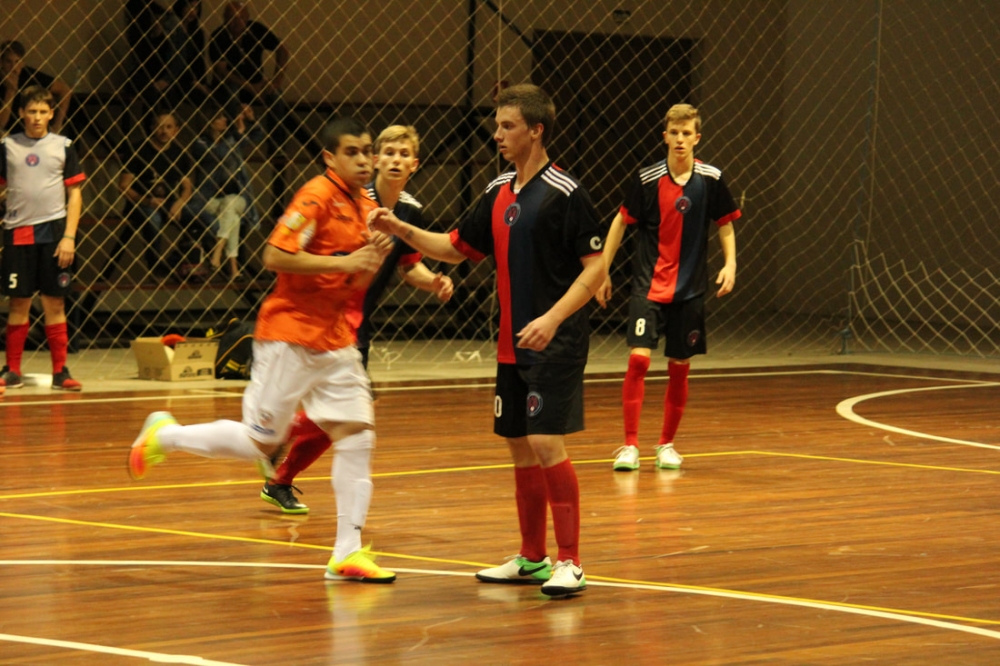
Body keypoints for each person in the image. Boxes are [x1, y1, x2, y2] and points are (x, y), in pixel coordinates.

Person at [127, 116, 397, 583]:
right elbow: (273, 255)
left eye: (367, 150)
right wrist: (348, 260)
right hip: (289, 334)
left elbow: (358, 270)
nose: (364, 159)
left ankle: (346, 552)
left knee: (358, 435)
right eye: (352, 151)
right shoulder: (315, 196)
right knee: (261, 441)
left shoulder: (363, 203)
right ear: (330, 158)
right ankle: (164, 435)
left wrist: (372, 256)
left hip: (334, 339)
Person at [369, 84, 606, 598]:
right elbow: (455, 248)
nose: (497, 134)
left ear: (536, 130)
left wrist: (552, 317)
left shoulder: (567, 193)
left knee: (546, 442)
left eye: (508, 126)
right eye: (496, 125)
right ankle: (532, 557)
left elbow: (596, 268)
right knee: (520, 448)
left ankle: (571, 561)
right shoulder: (498, 190)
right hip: (510, 343)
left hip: (555, 341)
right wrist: (399, 227)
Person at [259, 124, 454, 515]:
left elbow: (408, 266)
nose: (395, 160)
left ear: (415, 164)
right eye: (389, 153)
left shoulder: (410, 211)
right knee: (349, 414)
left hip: (355, 320)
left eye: (404, 155)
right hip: (322, 316)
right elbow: (288, 253)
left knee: (346, 416)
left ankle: (279, 472)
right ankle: (272, 441)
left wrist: (434, 282)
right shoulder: (349, 197)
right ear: (376, 159)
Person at [596, 103, 740, 472]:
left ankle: (666, 445)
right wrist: (602, 271)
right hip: (648, 286)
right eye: (674, 133)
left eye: (686, 133)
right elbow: (620, 221)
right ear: (665, 137)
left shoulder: (710, 179)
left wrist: (730, 263)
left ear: (697, 138)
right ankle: (629, 445)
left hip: (689, 290)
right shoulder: (646, 180)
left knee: (680, 367)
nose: (680, 139)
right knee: (638, 360)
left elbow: (725, 224)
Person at [0, 86, 86, 391]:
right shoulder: (7, 146)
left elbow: (74, 194)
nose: (37, 117)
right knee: (18, 303)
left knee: (54, 303)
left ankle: (60, 371)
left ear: (52, 113)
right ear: (22, 113)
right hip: (17, 233)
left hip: (54, 234)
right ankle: (12, 370)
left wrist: (69, 237)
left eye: (43, 111)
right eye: (31, 111)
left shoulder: (64, 145)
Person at [209, 1, 318, 160]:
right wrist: (250, 87)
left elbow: (282, 49)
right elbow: (221, 71)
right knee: (231, 92)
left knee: (276, 96)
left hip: (257, 84)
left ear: (247, 18)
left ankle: (277, 147)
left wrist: (276, 81)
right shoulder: (218, 36)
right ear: (224, 18)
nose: (236, 23)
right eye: (231, 18)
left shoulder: (256, 30)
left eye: (240, 18)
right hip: (231, 85)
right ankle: (231, 142)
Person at [110, 110, 200, 282]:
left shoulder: (180, 153)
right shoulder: (137, 149)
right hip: (140, 203)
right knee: (154, 219)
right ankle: (156, 267)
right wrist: (147, 201)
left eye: (168, 127)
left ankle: (180, 261)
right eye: (160, 127)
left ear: (176, 130)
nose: (164, 131)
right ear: (152, 128)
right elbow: (123, 186)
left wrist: (180, 202)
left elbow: (187, 187)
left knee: (205, 217)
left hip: (170, 203)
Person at [190, 103, 258, 281]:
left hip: (237, 198)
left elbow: (257, 135)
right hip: (209, 201)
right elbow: (218, 154)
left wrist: (250, 121)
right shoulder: (200, 143)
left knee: (230, 202)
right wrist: (238, 133)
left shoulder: (232, 140)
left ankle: (217, 251)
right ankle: (234, 269)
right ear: (211, 122)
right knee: (232, 217)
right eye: (220, 117)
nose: (225, 120)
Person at [0, 40, 73, 135]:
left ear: (22, 62)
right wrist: (10, 91)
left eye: (17, 61)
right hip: (6, 133)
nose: (13, 67)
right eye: (8, 62)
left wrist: (57, 125)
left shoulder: (28, 75)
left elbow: (65, 90)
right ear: (1, 62)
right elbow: (1, 124)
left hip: (31, 130)